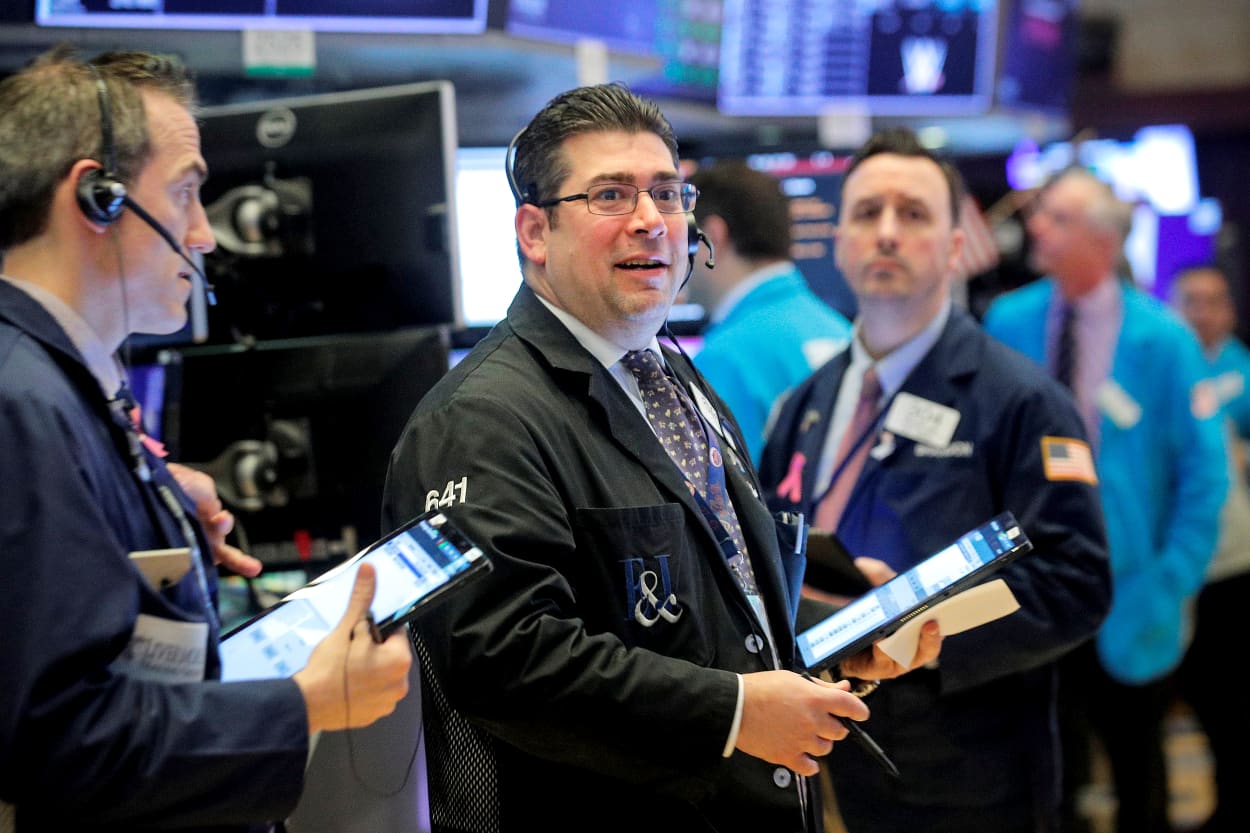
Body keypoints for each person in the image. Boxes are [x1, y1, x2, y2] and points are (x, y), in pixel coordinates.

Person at [381, 83, 940, 833]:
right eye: (610, 195)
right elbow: (502, 657)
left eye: (667, 193)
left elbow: (699, 596)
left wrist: (828, 635)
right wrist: (733, 711)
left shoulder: (670, 375)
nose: (650, 219)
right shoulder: (482, 418)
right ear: (535, 232)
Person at [0, 46, 412, 832]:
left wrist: (142, 504)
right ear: (97, 197)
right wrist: (307, 703)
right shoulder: (21, 404)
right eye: (186, 192)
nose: (204, 234)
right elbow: (65, 745)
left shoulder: (54, 384)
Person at [757, 127, 1112, 833]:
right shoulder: (804, 404)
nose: (887, 232)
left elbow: (1076, 581)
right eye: (868, 212)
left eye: (913, 213)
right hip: (820, 758)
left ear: (955, 246)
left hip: (966, 773)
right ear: (839, 241)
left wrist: (922, 630)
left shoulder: (1020, 401)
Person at [983, 167, 1227, 833]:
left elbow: (1206, 476)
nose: (1035, 227)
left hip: (1132, 592)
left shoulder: (1163, 338)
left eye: (1056, 218)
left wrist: (1169, 581)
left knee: (1137, 769)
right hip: (1034, 588)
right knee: (1047, 773)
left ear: (1101, 239)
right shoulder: (1008, 321)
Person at [683, 160, 852, 464]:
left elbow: (723, 490)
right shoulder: (843, 332)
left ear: (713, 236)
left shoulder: (725, 358)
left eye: (684, 238)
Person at [1168, 263, 1250, 833]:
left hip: (1230, 559)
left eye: (1211, 300)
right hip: (1170, 564)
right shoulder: (1164, 366)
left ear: (1230, 309)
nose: (1200, 312)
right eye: (1189, 301)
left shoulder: (1241, 372)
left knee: (1229, 696)